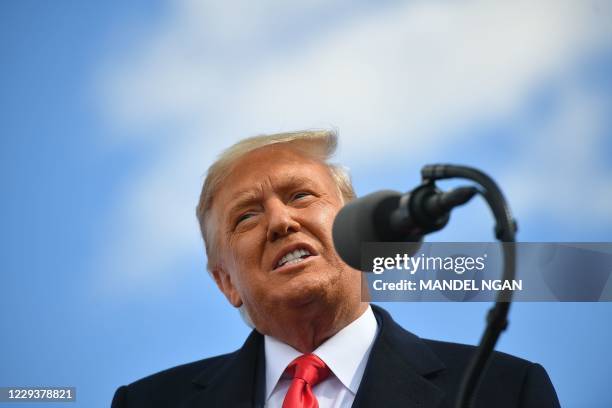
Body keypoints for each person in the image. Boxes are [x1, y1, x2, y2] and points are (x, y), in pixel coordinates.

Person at [111, 130, 560, 407]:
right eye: (246, 216)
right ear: (226, 281)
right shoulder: (148, 403)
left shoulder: (505, 391)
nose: (281, 222)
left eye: (301, 196)